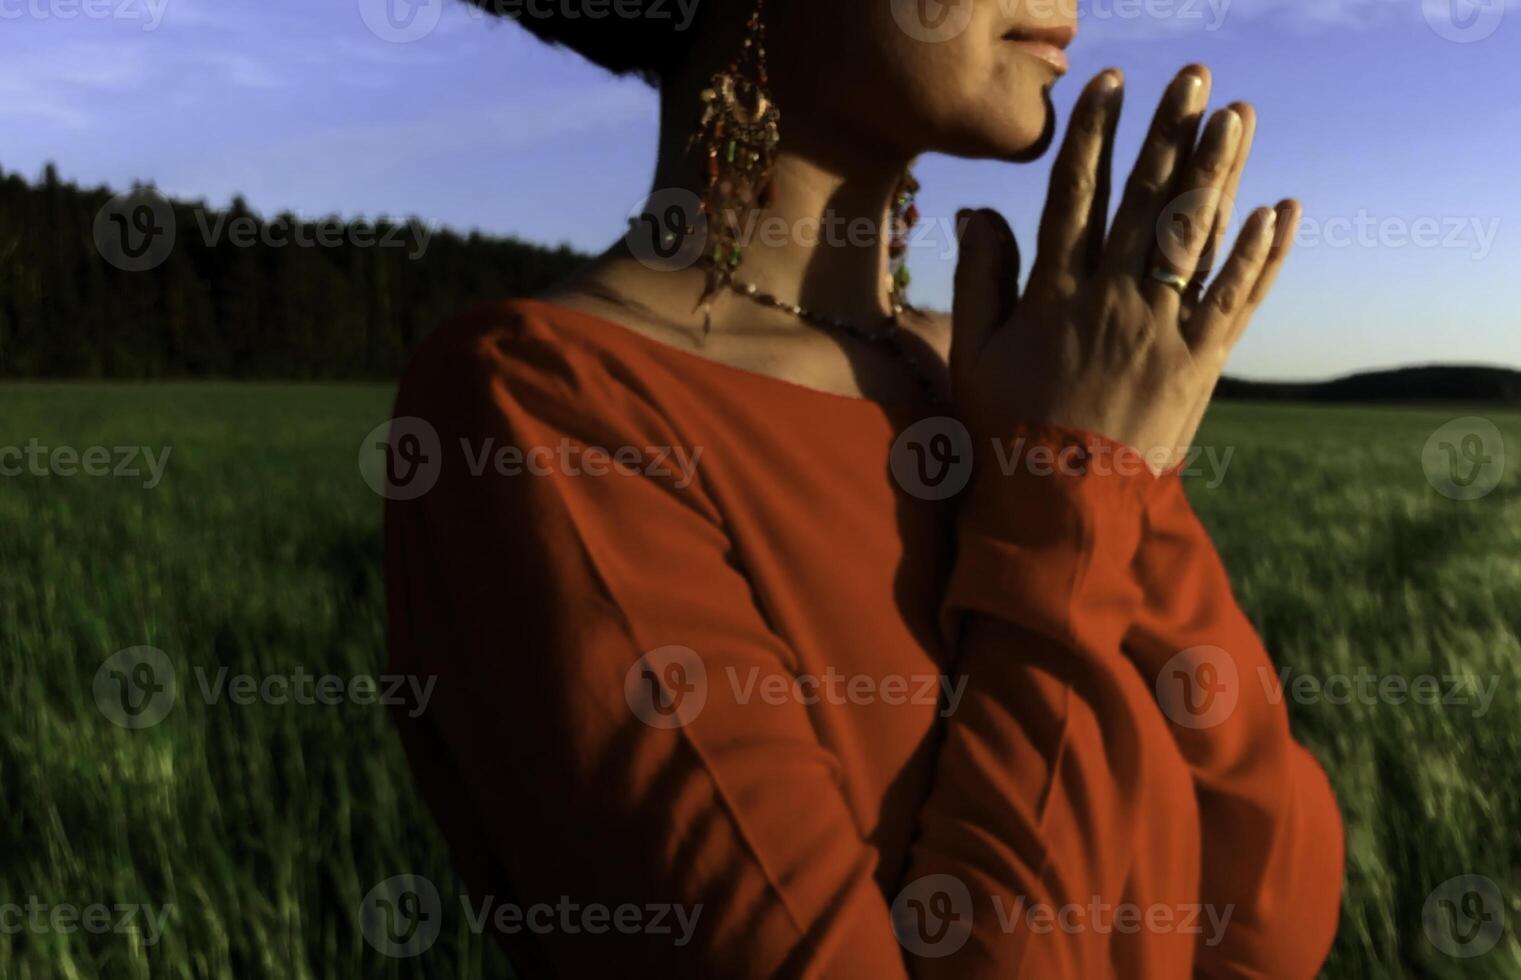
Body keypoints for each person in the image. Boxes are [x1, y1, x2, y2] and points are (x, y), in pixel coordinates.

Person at [384, 0, 1344, 975]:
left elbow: (1268, 920)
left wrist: (1111, 462)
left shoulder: (1011, 376)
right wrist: (1073, 494)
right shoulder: (543, 406)